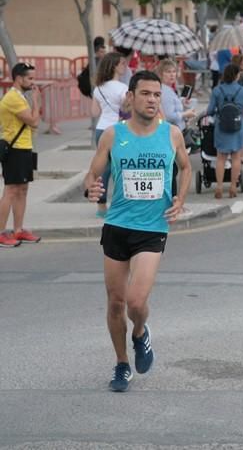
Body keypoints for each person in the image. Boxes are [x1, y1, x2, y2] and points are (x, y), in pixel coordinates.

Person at [84, 70, 191, 392]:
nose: (152, 100)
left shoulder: (172, 134)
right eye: (145, 93)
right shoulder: (113, 135)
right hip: (117, 225)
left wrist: (181, 197)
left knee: (135, 300)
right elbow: (92, 174)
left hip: (152, 228)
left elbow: (185, 168)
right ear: (130, 97)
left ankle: (140, 332)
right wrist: (91, 188)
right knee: (115, 302)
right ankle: (121, 364)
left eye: (157, 95)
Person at [0, 62, 42, 248]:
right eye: (30, 78)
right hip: (14, 148)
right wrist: (37, 102)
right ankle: (1, 233)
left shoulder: (20, 96)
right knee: (10, 190)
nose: (34, 82)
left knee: (23, 189)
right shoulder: (13, 98)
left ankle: (18, 230)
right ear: (19, 78)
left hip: (25, 147)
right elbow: (33, 121)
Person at [206, 63, 243, 198]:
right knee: (236, 157)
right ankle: (233, 187)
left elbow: (210, 111)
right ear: (236, 76)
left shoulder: (217, 90)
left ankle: (218, 187)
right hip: (238, 126)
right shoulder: (242, 91)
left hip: (221, 126)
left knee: (221, 158)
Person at [91, 53, 131, 218]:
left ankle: (101, 207)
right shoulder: (123, 88)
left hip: (101, 129)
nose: (125, 66)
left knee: (103, 170)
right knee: (121, 168)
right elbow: (128, 109)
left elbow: (94, 112)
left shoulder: (98, 88)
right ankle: (120, 204)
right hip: (117, 130)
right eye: (122, 63)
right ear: (114, 66)